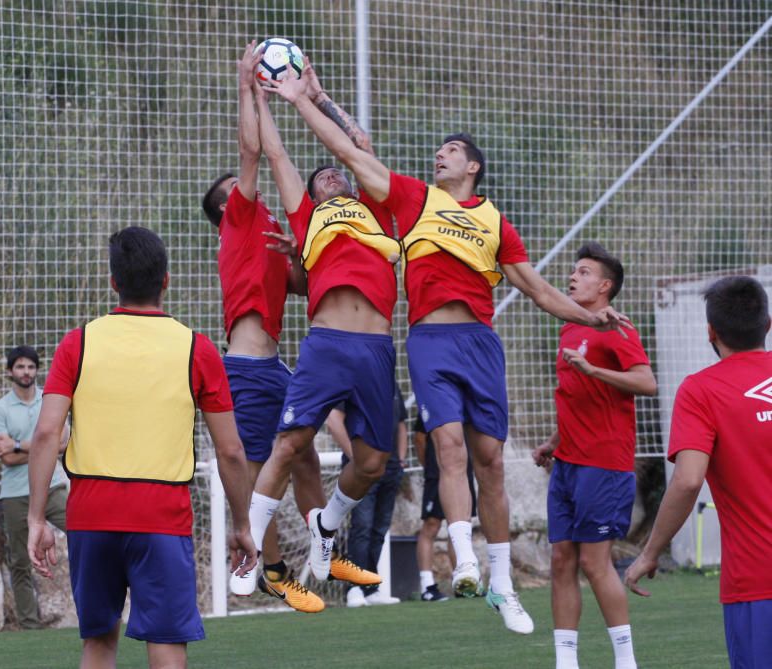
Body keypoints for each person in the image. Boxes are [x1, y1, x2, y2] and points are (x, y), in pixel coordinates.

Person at [265, 66, 631, 634]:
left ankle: (503, 586)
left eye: (452, 149)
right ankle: (463, 560)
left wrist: (592, 315)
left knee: (491, 464)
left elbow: (536, 290)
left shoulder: (494, 223)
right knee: (451, 447)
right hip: (431, 340)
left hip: (481, 344)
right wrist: (303, 102)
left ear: (474, 166)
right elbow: (351, 150)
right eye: (439, 149)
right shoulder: (415, 200)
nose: (441, 154)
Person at [26, 227, 257, 669]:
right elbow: (230, 451)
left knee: (98, 643)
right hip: (162, 514)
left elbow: (45, 434)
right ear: (166, 280)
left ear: (114, 282)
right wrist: (243, 523)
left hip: (91, 513)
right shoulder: (197, 348)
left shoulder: (79, 342)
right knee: (167, 646)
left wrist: (37, 517)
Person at [236, 60, 404, 596]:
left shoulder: (375, 209)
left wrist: (317, 95)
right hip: (328, 343)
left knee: (374, 462)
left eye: (335, 173)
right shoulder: (309, 217)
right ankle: (250, 554)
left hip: (376, 346)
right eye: (321, 179)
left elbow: (358, 143)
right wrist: (258, 93)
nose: (330, 175)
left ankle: (326, 525)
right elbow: (277, 154)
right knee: (288, 444)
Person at [200, 43, 322, 614]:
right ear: (227, 210)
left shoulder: (266, 227)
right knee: (252, 480)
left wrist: (298, 260)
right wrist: (248, 85)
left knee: (305, 458)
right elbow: (251, 151)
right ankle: (260, 569)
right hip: (246, 370)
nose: (244, 186)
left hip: (275, 366)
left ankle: (319, 552)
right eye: (235, 188)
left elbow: (300, 286)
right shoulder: (240, 219)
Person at [624, 276, 772, 669]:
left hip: (759, 580)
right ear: (768, 324)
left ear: (711, 331)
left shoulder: (701, 391)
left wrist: (650, 553)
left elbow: (688, 480)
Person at [531, 244, 656, 669]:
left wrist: (593, 369)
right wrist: (553, 441)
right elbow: (580, 399)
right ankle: (566, 662)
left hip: (604, 464)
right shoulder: (570, 328)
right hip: (568, 463)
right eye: (573, 271)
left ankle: (626, 660)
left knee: (593, 562)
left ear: (605, 287)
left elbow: (647, 382)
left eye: (583, 272)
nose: (572, 277)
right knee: (562, 559)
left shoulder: (617, 327)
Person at [0, 345, 69, 629]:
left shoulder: (52, 400)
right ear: (10, 371)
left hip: (54, 485)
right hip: (16, 494)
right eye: (20, 367)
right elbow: (7, 458)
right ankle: (29, 626)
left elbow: (61, 444)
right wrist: (43, 447)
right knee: (21, 560)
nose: (26, 372)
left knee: (88, 533)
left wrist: (20, 444)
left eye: (31, 367)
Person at [326, 387, 407, 607]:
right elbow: (334, 420)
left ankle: (371, 587)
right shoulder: (354, 381)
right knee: (362, 526)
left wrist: (400, 460)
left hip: (389, 469)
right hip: (361, 469)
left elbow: (401, 424)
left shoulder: (391, 384)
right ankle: (354, 586)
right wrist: (356, 458)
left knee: (379, 529)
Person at [414, 415, 477, 602]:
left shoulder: (469, 401)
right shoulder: (435, 395)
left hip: (463, 474)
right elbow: (419, 438)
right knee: (431, 525)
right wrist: (431, 466)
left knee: (460, 525)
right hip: (437, 473)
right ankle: (427, 586)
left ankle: (463, 582)